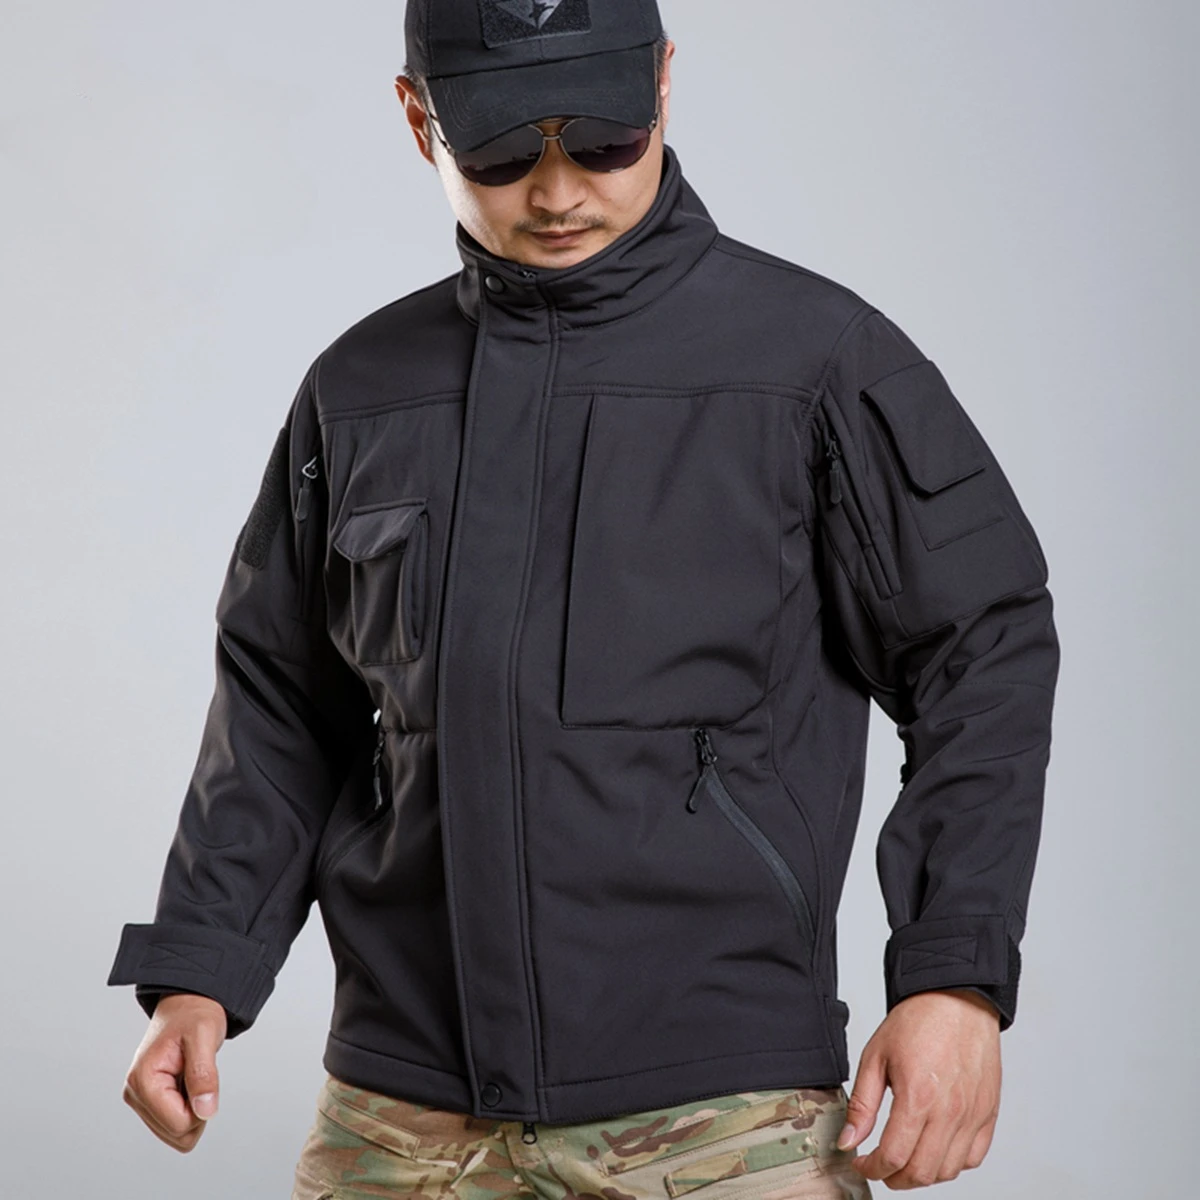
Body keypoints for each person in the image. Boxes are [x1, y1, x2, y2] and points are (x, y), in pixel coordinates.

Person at [107, 1, 1061, 1195]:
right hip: (402, 1117)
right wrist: (201, 971)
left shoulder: (813, 363)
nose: (557, 192)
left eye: (603, 139)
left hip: (724, 1116)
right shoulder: (359, 393)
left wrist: (953, 977)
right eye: (502, 149)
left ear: (661, 83)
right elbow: (280, 707)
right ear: (418, 119)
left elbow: (982, 652)